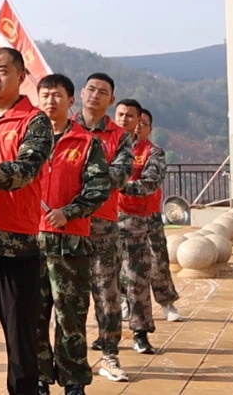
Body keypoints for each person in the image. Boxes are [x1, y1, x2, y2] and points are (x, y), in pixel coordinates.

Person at [0, 48, 54, 395]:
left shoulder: (35, 121)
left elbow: (24, 171)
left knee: (22, 348)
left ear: (21, 77)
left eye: (3, 70)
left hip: (16, 249)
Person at [33, 74, 110, 395]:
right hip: (30, 242)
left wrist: (70, 211)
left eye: (57, 95)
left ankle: (74, 380)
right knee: (33, 315)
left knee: (71, 316)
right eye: (45, 95)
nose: (51, 101)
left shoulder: (86, 142)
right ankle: (39, 377)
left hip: (71, 242)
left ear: (70, 100)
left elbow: (99, 187)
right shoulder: (28, 142)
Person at [73, 74, 136, 383]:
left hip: (102, 225)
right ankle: (71, 362)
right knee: (68, 298)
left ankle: (110, 356)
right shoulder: (64, 128)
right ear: (81, 93)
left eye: (103, 92)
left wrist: (78, 176)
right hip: (66, 226)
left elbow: (120, 176)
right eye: (91, 89)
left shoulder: (119, 136)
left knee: (107, 295)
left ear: (111, 100)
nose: (95, 95)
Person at [118, 107, 181, 354]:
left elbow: (149, 182)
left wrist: (117, 184)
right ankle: (124, 304)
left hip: (147, 214)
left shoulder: (152, 152)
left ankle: (166, 302)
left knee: (157, 260)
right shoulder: (115, 148)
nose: (137, 126)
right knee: (119, 267)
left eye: (143, 123)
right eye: (135, 121)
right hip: (117, 216)